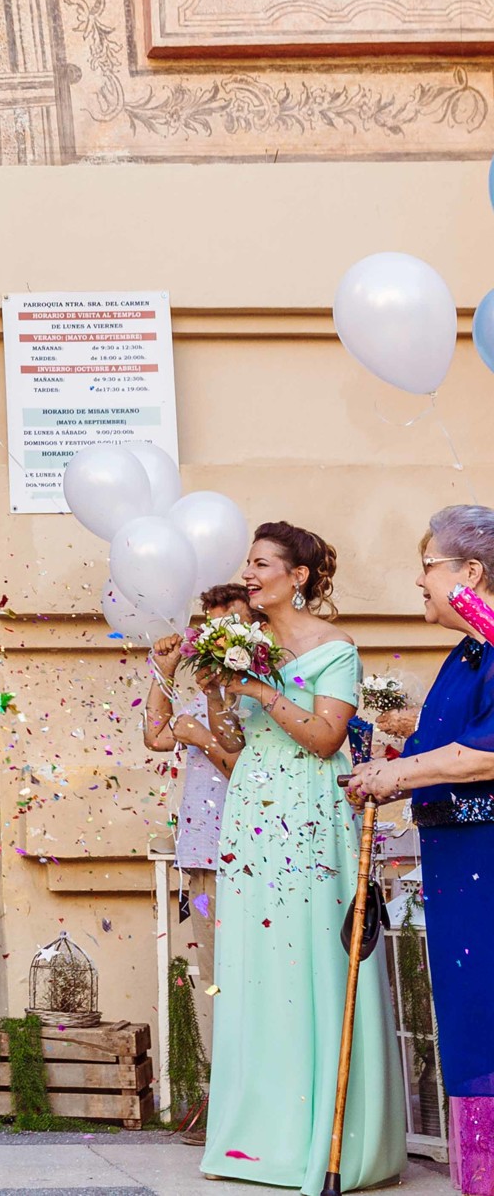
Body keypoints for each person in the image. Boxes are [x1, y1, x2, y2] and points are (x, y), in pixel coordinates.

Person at [201, 522, 405, 1193]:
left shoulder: (333, 648)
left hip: (310, 814)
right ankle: (258, 1135)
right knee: (256, 962)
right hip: (251, 812)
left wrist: (262, 689)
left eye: (261, 563)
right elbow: (235, 740)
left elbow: (324, 738)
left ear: (299, 577)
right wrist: (217, 691)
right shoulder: (246, 642)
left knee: (310, 955)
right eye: (248, 562)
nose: (248, 573)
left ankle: (324, 1133)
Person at [347, 505, 494, 1194]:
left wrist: (398, 774)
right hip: (455, 858)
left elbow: (484, 754)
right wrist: (384, 758)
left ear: (472, 573)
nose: (417, 579)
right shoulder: (467, 653)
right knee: (468, 1011)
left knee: (485, 1005)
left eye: (428, 565)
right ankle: (479, 1175)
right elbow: (443, 746)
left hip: (486, 856)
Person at [142, 583, 249, 1062]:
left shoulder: (260, 698)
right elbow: (157, 736)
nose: (217, 638)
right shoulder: (204, 697)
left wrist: (204, 738)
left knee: (252, 977)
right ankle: (228, 1080)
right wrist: (163, 672)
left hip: (250, 860)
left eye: (230, 626)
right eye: (211, 627)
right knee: (217, 977)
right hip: (204, 858)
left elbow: (250, 774)